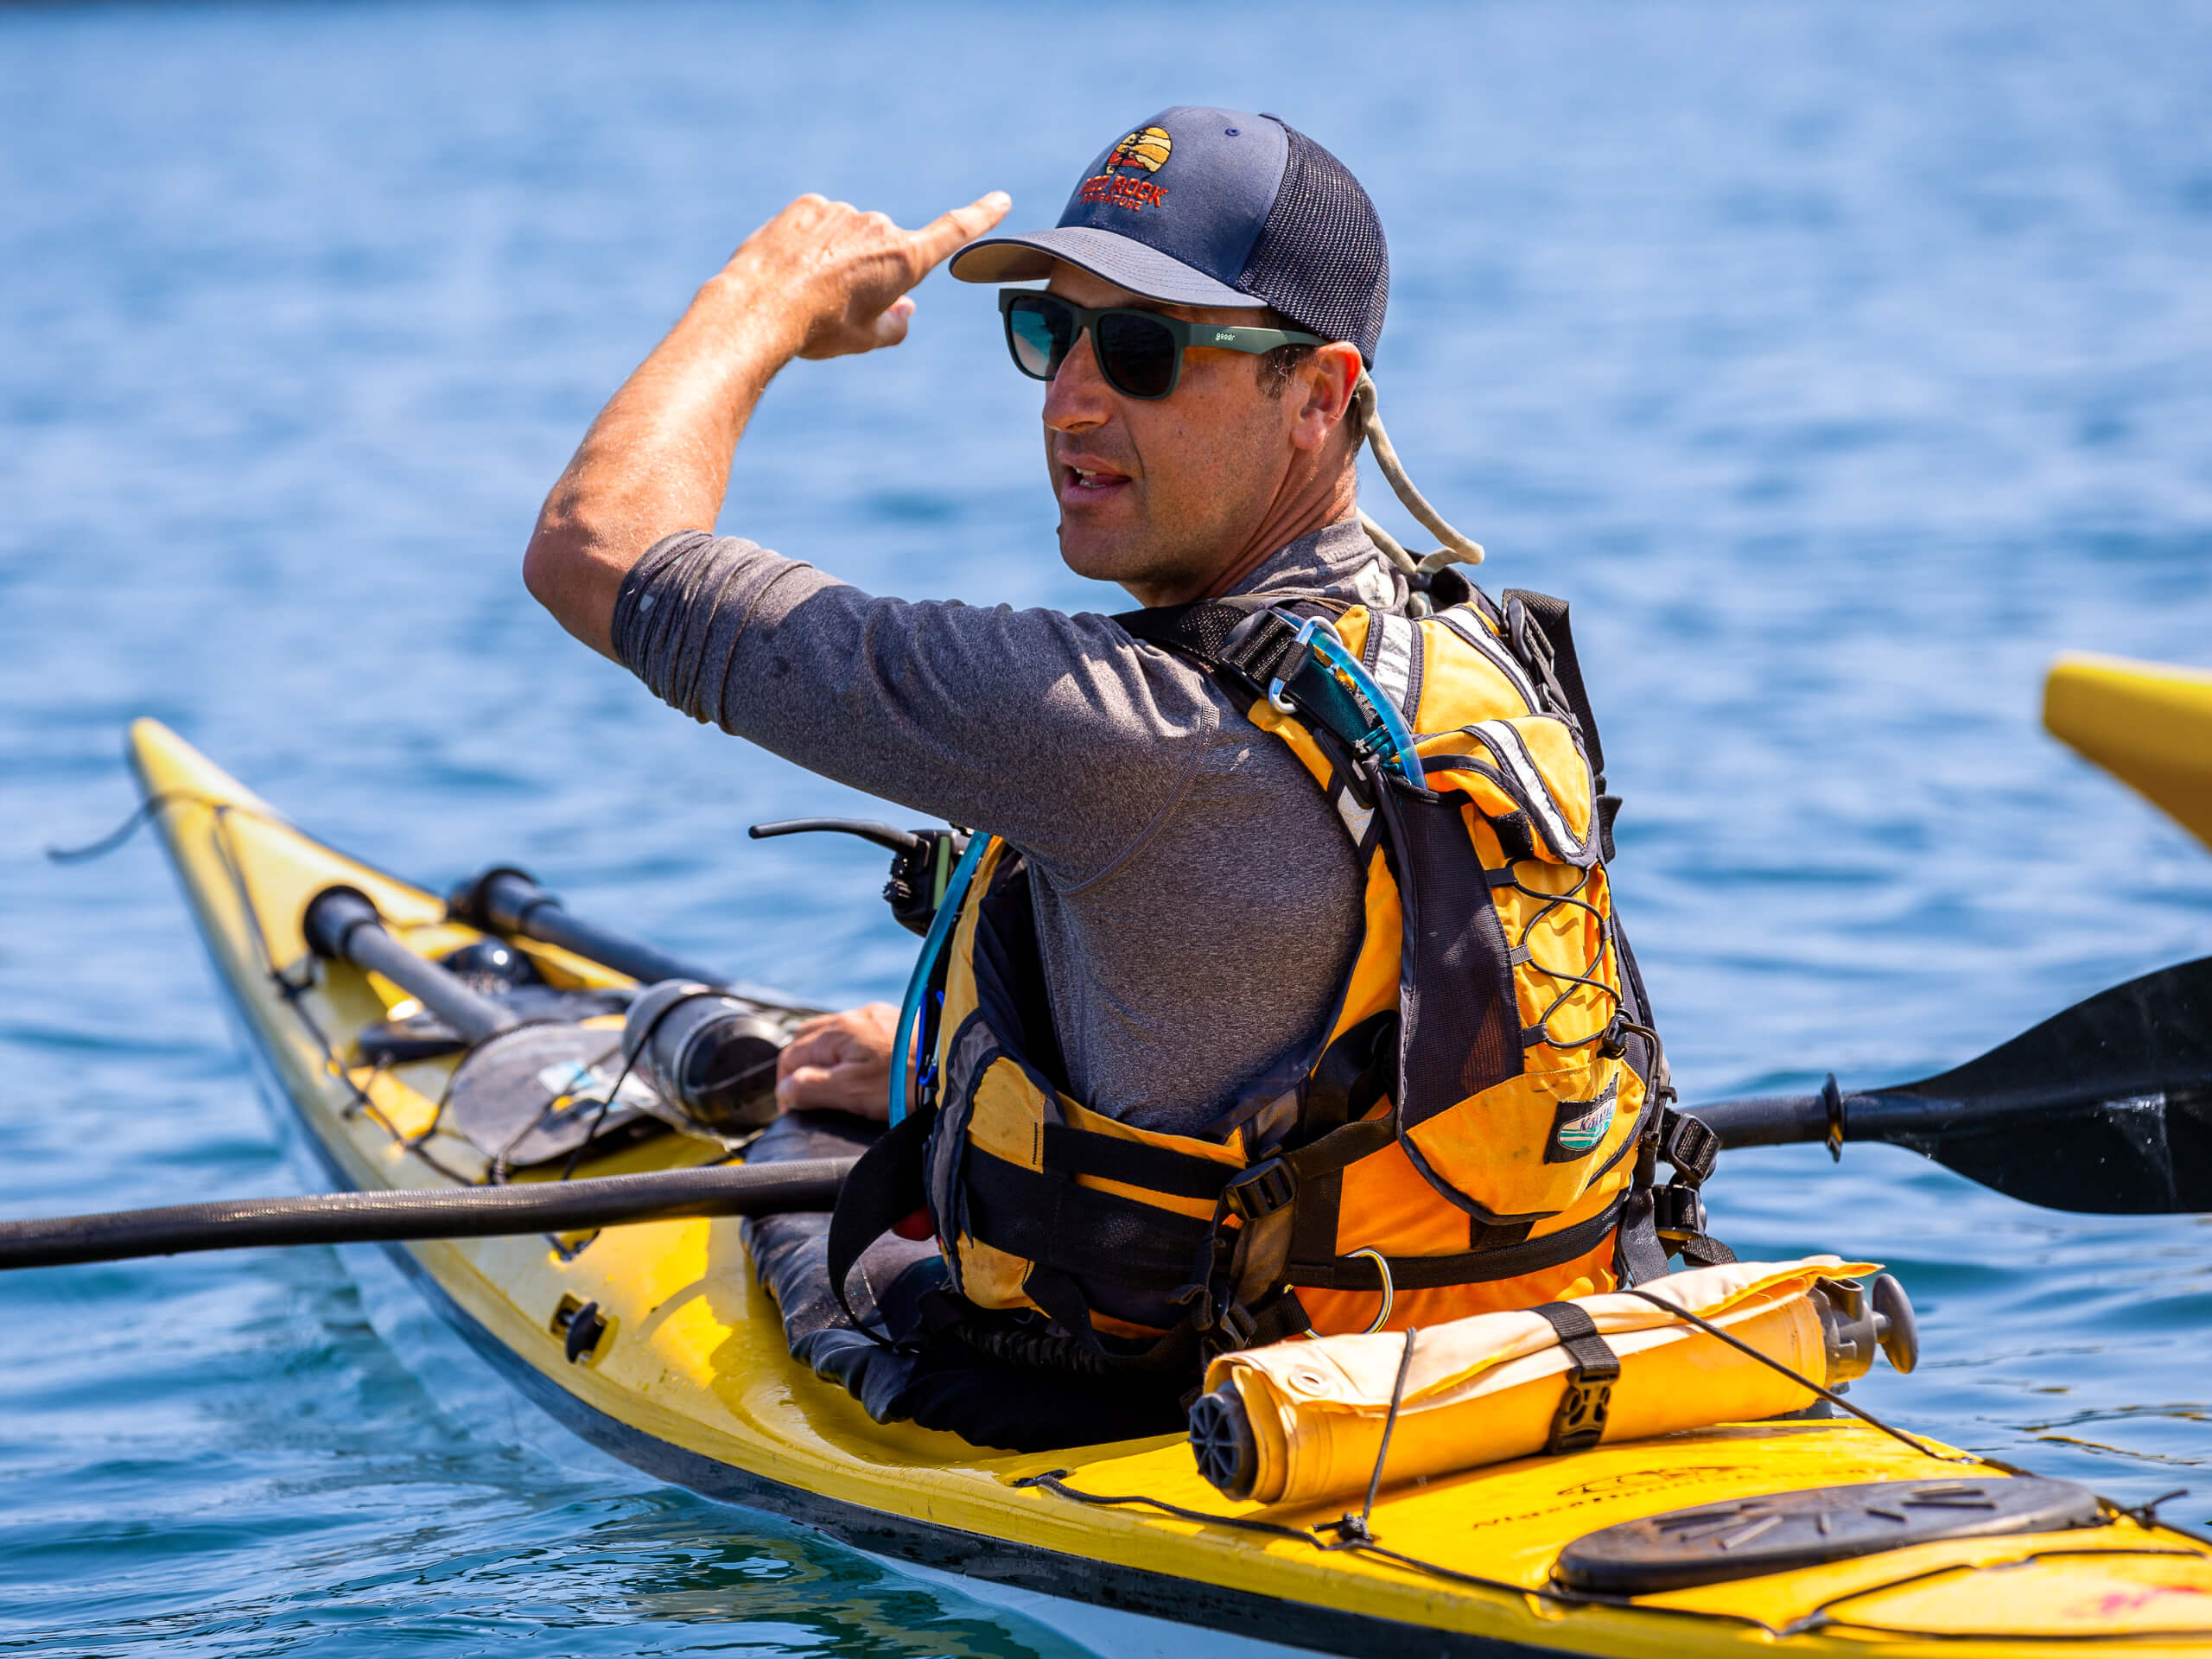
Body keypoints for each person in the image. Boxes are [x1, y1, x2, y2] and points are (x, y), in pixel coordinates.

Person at [524, 108, 1713, 1440]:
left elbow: (594, 551)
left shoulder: (1112, 724)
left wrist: (759, 301)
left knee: (811, 1178)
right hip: (1498, 1345)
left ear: (1321, 395)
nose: (1070, 398)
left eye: (1144, 351)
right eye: (1051, 333)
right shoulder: (1487, 648)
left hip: (1186, 1408)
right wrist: (935, 1068)